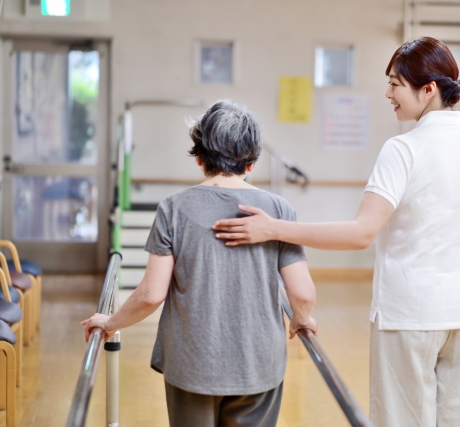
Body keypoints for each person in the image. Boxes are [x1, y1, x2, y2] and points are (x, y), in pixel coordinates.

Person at [213, 37, 460, 427]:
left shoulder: (403, 150)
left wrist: (273, 228)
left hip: (408, 316)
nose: (388, 94)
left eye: (395, 84)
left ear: (428, 89)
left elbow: (360, 233)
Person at [82, 100, 318, 427]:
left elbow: (151, 294)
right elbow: (302, 294)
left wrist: (110, 322)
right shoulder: (278, 209)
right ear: (251, 164)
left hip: (192, 363)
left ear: (200, 158)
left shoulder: (173, 209)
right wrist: (301, 319)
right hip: (258, 363)